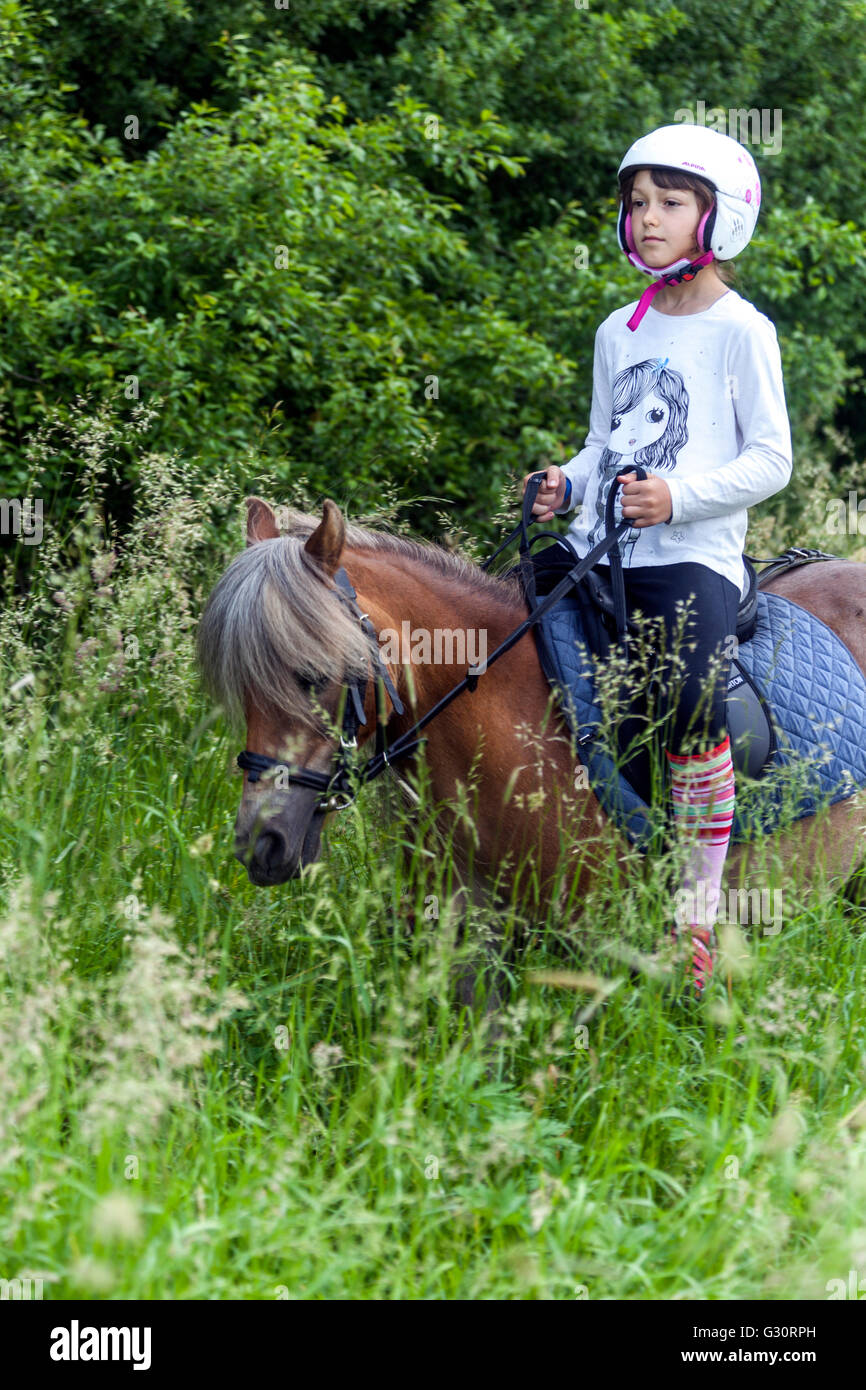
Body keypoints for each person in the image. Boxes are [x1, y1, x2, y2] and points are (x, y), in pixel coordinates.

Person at [524, 123, 792, 995]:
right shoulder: (618, 330)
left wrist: (677, 499)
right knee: (504, 629)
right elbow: (605, 442)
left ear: (717, 221)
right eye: (637, 203)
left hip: (691, 556)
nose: (647, 219)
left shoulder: (741, 331)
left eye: (670, 203)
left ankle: (695, 920)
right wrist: (563, 484)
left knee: (689, 698)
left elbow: (772, 460)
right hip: (600, 547)